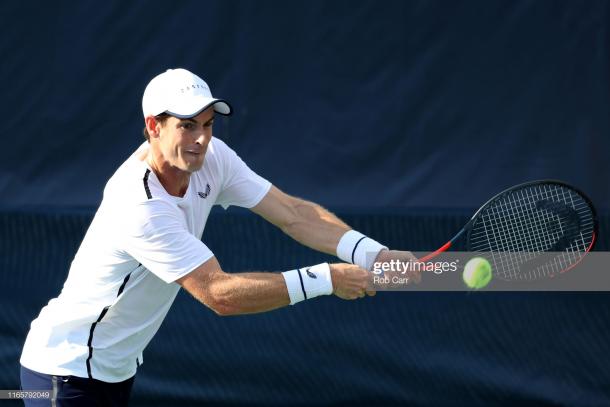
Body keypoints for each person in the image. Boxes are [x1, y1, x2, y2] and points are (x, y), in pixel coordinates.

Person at [19, 68, 417, 406]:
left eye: (208, 124)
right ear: (153, 127)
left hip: (114, 369)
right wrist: (326, 279)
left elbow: (294, 214)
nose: (201, 139)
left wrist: (372, 253)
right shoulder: (139, 205)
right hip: (63, 374)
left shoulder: (214, 158)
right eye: (187, 126)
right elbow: (218, 294)